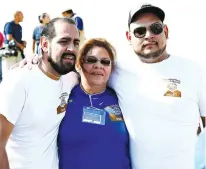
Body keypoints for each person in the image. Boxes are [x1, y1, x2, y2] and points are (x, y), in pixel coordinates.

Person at [108, 3, 206, 169]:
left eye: (155, 28)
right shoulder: (115, 72)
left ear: (166, 31)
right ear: (128, 37)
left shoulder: (193, 69)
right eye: (139, 31)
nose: (148, 36)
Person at [0, 17, 79, 169]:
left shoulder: (71, 78)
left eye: (76, 42)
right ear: (44, 44)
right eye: (64, 41)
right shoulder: (19, 80)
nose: (72, 48)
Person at [58, 38, 131, 169]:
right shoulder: (64, 96)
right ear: (79, 65)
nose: (98, 65)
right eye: (91, 60)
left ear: (111, 69)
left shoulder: (122, 98)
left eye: (105, 62)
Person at [2, 11, 26, 77]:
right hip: (10, 52)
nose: (23, 17)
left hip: (18, 52)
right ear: (16, 16)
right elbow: (9, 38)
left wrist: (22, 42)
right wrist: (20, 45)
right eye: (22, 15)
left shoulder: (19, 27)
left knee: (20, 70)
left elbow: (17, 39)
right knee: (10, 72)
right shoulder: (9, 24)